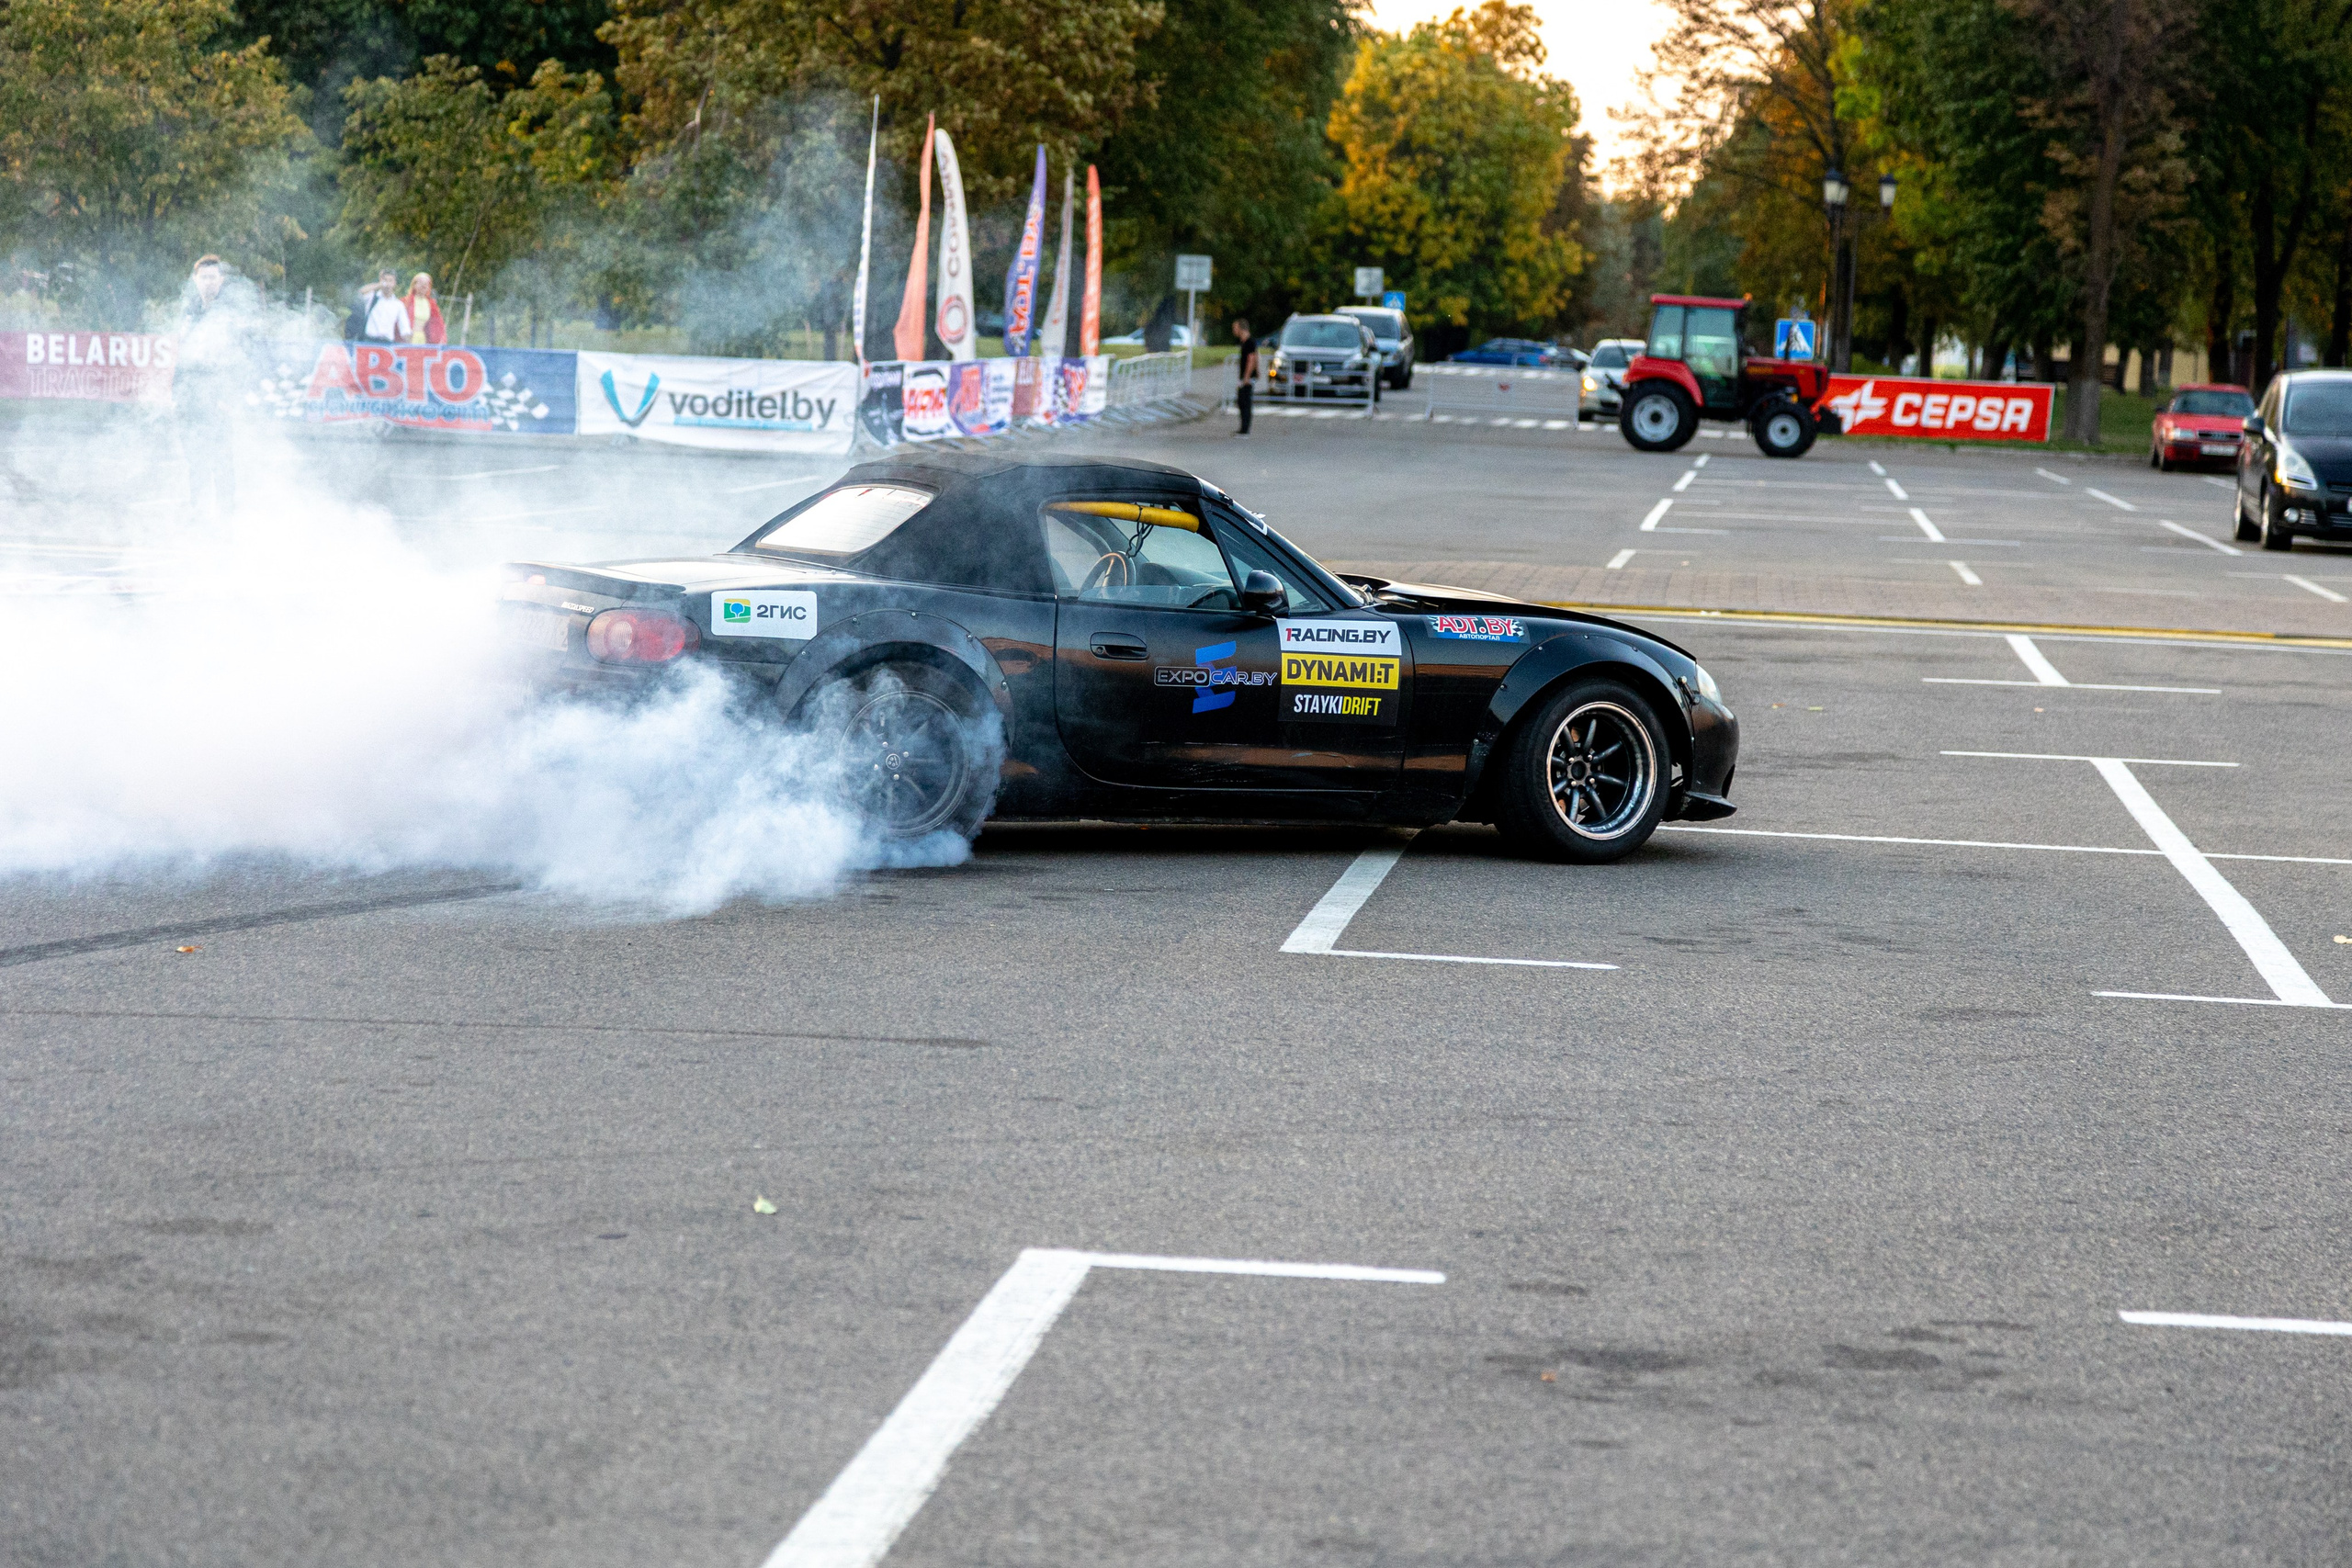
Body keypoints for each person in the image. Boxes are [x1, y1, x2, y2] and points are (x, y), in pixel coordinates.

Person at [175, 254, 243, 519]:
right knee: (195, 458)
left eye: (213, 277)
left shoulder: (229, 313)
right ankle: (198, 510)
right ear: (195, 280)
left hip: (217, 395)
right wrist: (175, 394)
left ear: (221, 280)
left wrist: (229, 397)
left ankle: (226, 513)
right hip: (190, 397)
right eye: (204, 277)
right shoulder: (189, 312)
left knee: (221, 458)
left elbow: (241, 356)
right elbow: (179, 356)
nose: (208, 282)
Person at [361, 270, 410, 343]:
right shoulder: (372, 298)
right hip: (370, 341)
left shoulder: (398, 305)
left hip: (387, 343)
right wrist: (379, 285)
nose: (388, 284)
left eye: (390, 281)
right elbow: (362, 291)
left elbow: (405, 329)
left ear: (394, 283)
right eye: (385, 280)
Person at [1232, 318, 1259, 436]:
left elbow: (1252, 359)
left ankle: (1245, 429)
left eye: (1235, 328)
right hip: (1244, 377)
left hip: (1246, 378)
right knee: (1241, 401)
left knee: (1245, 402)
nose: (1234, 330)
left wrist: (1247, 376)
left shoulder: (1249, 342)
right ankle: (1243, 427)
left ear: (1241, 328)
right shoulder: (1245, 342)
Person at [404, 272, 445, 344]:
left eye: (427, 284)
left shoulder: (432, 305)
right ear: (414, 285)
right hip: (408, 338)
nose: (424, 286)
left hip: (424, 339)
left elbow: (437, 324)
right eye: (420, 283)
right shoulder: (405, 302)